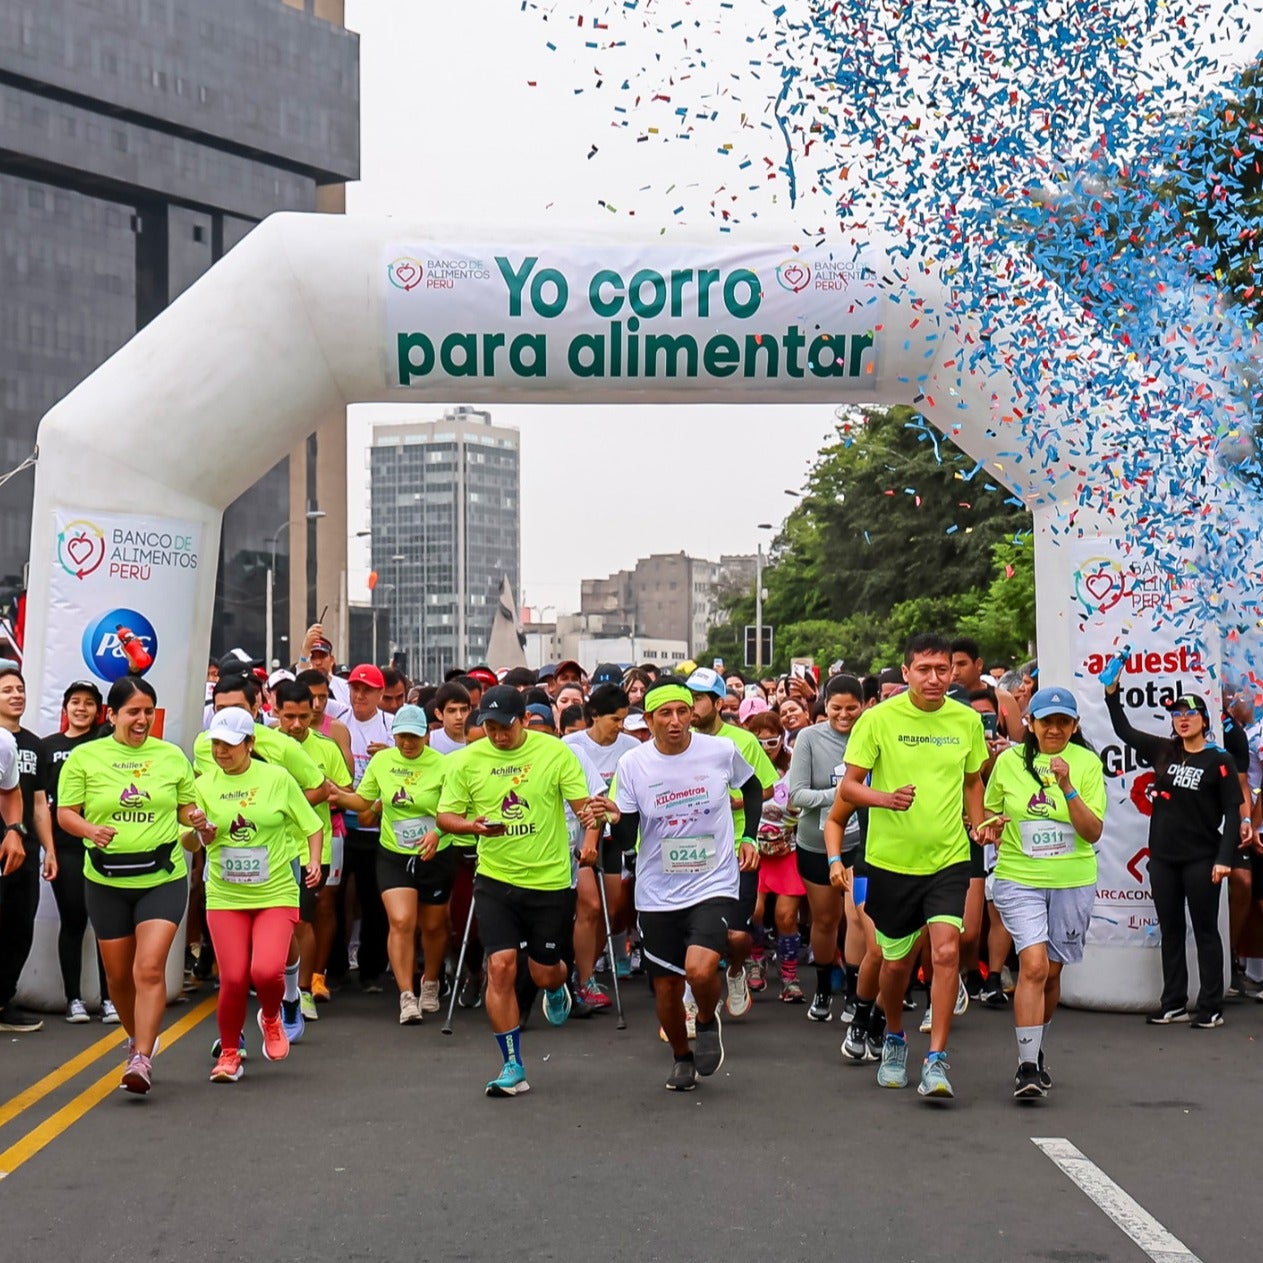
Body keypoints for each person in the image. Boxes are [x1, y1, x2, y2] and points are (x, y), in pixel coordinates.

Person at [838, 634, 988, 1101]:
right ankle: (896, 1040)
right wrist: (885, 799)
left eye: (942, 669)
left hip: (948, 857)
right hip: (890, 862)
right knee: (896, 962)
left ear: (953, 673)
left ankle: (937, 1060)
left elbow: (972, 782)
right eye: (923, 669)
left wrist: (979, 825)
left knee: (946, 952)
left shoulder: (966, 721)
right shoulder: (878, 720)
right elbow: (848, 788)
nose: (934, 678)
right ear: (905, 673)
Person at [436, 686, 606, 1097]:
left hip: (549, 880)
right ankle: (512, 1064)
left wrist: (591, 839)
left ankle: (558, 983)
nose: (497, 736)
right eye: (489, 727)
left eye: (505, 727)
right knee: (501, 967)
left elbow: (586, 808)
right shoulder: (467, 761)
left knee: (543, 970)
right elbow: (445, 817)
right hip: (495, 879)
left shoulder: (555, 753)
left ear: (525, 720)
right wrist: (472, 827)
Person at [610, 678, 762, 1091]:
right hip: (658, 889)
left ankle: (708, 1020)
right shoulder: (633, 765)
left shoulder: (720, 751)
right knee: (667, 988)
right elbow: (626, 839)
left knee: (699, 968)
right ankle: (681, 1057)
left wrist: (749, 836)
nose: (676, 722)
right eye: (666, 714)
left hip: (712, 880)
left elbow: (751, 786)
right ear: (649, 720)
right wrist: (611, 820)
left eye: (683, 712)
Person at [56, 678, 206, 1094]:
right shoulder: (86, 757)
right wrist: (90, 828)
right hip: (106, 879)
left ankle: (142, 1057)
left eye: (148, 712)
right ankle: (137, 1035)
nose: (142, 720)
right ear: (113, 715)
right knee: (119, 977)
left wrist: (196, 818)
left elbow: (186, 806)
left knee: (150, 967)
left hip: (162, 876)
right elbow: (66, 813)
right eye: (133, 712)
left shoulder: (171, 756)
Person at [980, 687, 1106, 1100]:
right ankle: (1028, 1067)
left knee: (1051, 973)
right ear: (1030, 724)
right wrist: (990, 825)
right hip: (1020, 876)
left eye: (1062, 722)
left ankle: (1036, 1047)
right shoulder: (1008, 762)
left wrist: (1067, 786)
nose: (1054, 729)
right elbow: (989, 810)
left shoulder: (1086, 764)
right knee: (1032, 965)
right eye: (1046, 721)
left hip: (1072, 879)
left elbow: (1092, 832)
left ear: (1074, 725)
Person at [187, 707, 323, 1083]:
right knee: (231, 978)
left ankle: (271, 1016)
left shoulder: (277, 778)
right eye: (216, 744)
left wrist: (313, 860)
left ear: (250, 743)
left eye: (229, 745)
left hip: (275, 891)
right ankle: (229, 1053)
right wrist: (200, 831)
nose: (221, 752)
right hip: (227, 896)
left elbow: (312, 825)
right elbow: (187, 840)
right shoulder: (204, 784)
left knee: (265, 971)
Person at [1105, 682, 1246, 1027]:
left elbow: (1232, 811)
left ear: (1204, 719)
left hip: (1202, 858)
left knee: (1206, 930)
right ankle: (1174, 1002)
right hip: (1164, 859)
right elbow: (1123, 730)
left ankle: (1211, 1005)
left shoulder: (1220, 760)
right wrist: (1111, 694)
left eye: (1190, 713)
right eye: (1176, 714)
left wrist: (1224, 858)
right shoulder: (1164, 751)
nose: (1182, 719)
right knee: (1171, 930)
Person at [333, 705, 453, 1022]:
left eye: (414, 736)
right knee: (401, 920)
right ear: (393, 735)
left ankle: (430, 981)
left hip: (435, 853)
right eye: (401, 737)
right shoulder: (383, 761)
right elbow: (363, 800)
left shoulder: (444, 766)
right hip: (394, 853)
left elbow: (457, 810)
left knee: (433, 925)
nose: (408, 743)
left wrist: (438, 833)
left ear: (426, 735)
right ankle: (406, 995)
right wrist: (338, 795)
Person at [685, 667, 777, 1018]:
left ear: (718, 703)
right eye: (687, 697)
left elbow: (765, 787)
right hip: (693, 849)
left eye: (697, 699)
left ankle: (736, 971)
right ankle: (691, 1000)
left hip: (737, 845)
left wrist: (737, 801)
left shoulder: (743, 741)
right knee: (691, 930)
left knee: (738, 936)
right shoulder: (679, 740)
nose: (690, 706)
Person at [272, 678, 353, 1021]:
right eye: (289, 716)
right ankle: (276, 986)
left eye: (303, 717)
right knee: (275, 921)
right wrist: (312, 794)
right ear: (275, 712)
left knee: (302, 920)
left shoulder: (326, 746)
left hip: (311, 848)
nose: (296, 725)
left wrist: (326, 794)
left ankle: (302, 991)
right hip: (270, 849)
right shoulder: (262, 745)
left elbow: (343, 790)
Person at [788, 674, 867, 1024]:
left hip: (859, 845)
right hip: (815, 844)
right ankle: (822, 987)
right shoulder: (809, 738)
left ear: (863, 706)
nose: (844, 715)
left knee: (858, 919)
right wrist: (841, 795)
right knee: (825, 919)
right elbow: (796, 796)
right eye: (837, 708)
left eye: (852, 708)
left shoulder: (871, 736)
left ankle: (854, 991)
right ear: (824, 704)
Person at [45, 680, 116, 1023]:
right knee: (73, 921)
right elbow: (37, 804)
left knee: (107, 924)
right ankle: (73, 998)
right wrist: (49, 849)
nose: (81, 708)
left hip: (106, 845)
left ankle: (109, 999)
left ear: (100, 711)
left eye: (89, 703)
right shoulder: (48, 747)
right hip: (66, 847)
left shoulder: (104, 742)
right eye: (75, 702)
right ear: (65, 708)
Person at [563, 683, 638, 1006]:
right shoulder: (570, 745)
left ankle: (586, 968)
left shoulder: (631, 747)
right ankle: (582, 979)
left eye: (623, 719)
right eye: (614, 719)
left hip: (613, 836)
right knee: (590, 907)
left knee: (612, 905)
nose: (620, 727)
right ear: (594, 715)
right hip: (580, 837)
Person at [0, 665, 57, 1033]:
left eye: (20, 688)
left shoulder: (25, 745)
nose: (16, 695)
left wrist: (43, 846)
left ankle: (4, 1001)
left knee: (19, 926)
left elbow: (32, 802)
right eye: (7, 690)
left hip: (20, 848)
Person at [341, 664, 394, 992]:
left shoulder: (390, 724)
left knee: (375, 900)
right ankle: (334, 968)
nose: (359, 695)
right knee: (335, 900)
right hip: (344, 823)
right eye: (355, 688)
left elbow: (411, 759)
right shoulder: (340, 721)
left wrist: (390, 754)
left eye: (367, 690)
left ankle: (372, 971)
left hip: (378, 824)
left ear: (379, 694)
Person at [745, 711, 805, 1002]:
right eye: (759, 743)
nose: (767, 748)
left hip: (787, 850)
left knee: (786, 916)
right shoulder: (743, 764)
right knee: (753, 910)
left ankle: (790, 975)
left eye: (772, 741)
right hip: (753, 850)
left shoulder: (797, 763)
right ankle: (755, 959)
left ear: (782, 739)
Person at [429, 681, 472, 755]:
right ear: (439, 714)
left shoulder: (479, 739)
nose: (459, 717)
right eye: (451, 711)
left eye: (464, 710)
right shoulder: (431, 741)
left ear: (470, 711)